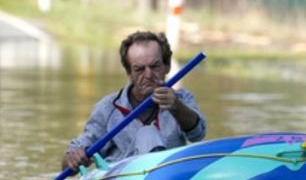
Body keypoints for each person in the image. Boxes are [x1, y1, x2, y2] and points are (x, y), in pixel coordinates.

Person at [62, 31, 207, 170]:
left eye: (155, 66)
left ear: (167, 66)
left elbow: (198, 134)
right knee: (147, 134)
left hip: (168, 178)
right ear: (129, 73)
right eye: (139, 69)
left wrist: (176, 106)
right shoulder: (107, 108)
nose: (148, 75)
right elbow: (69, 160)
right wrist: (74, 158)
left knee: (148, 134)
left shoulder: (181, 99)